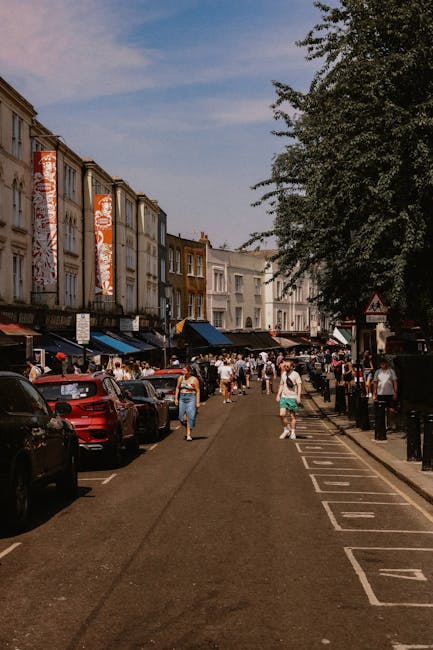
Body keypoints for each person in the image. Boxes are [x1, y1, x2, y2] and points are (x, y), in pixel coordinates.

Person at [276, 360, 302, 439]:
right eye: (285, 366)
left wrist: (298, 396)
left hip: (292, 397)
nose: (285, 367)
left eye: (287, 366)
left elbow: (299, 385)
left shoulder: (296, 374)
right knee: (282, 414)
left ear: (291, 367)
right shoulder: (283, 374)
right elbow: (281, 385)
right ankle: (286, 430)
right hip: (284, 397)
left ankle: (293, 432)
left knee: (292, 416)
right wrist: (278, 395)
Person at [174, 365, 200, 441]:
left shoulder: (194, 379)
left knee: (190, 416)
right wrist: (176, 398)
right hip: (182, 398)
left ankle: (188, 434)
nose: (183, 372)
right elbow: (177, 388)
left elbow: (198, 391)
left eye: (185, 371)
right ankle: (189, 425)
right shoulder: (180, 378)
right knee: (181, 418)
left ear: (189, 372)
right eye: (183, 370)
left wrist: (197, 402)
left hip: (191, 397)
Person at [372, 357, 398, 429]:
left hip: (390, 393)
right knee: (381, 410)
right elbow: (375, 383)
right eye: (381, 363)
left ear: (386, 363)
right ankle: (382, 424)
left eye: (384, 363)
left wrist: (395, 392)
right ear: (380, 364)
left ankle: (392, 422)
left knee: (391, 410)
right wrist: (374, 394)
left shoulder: (391, 371)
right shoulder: (378, 372)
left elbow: (395, 382)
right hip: (380, 394)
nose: (383, 364)